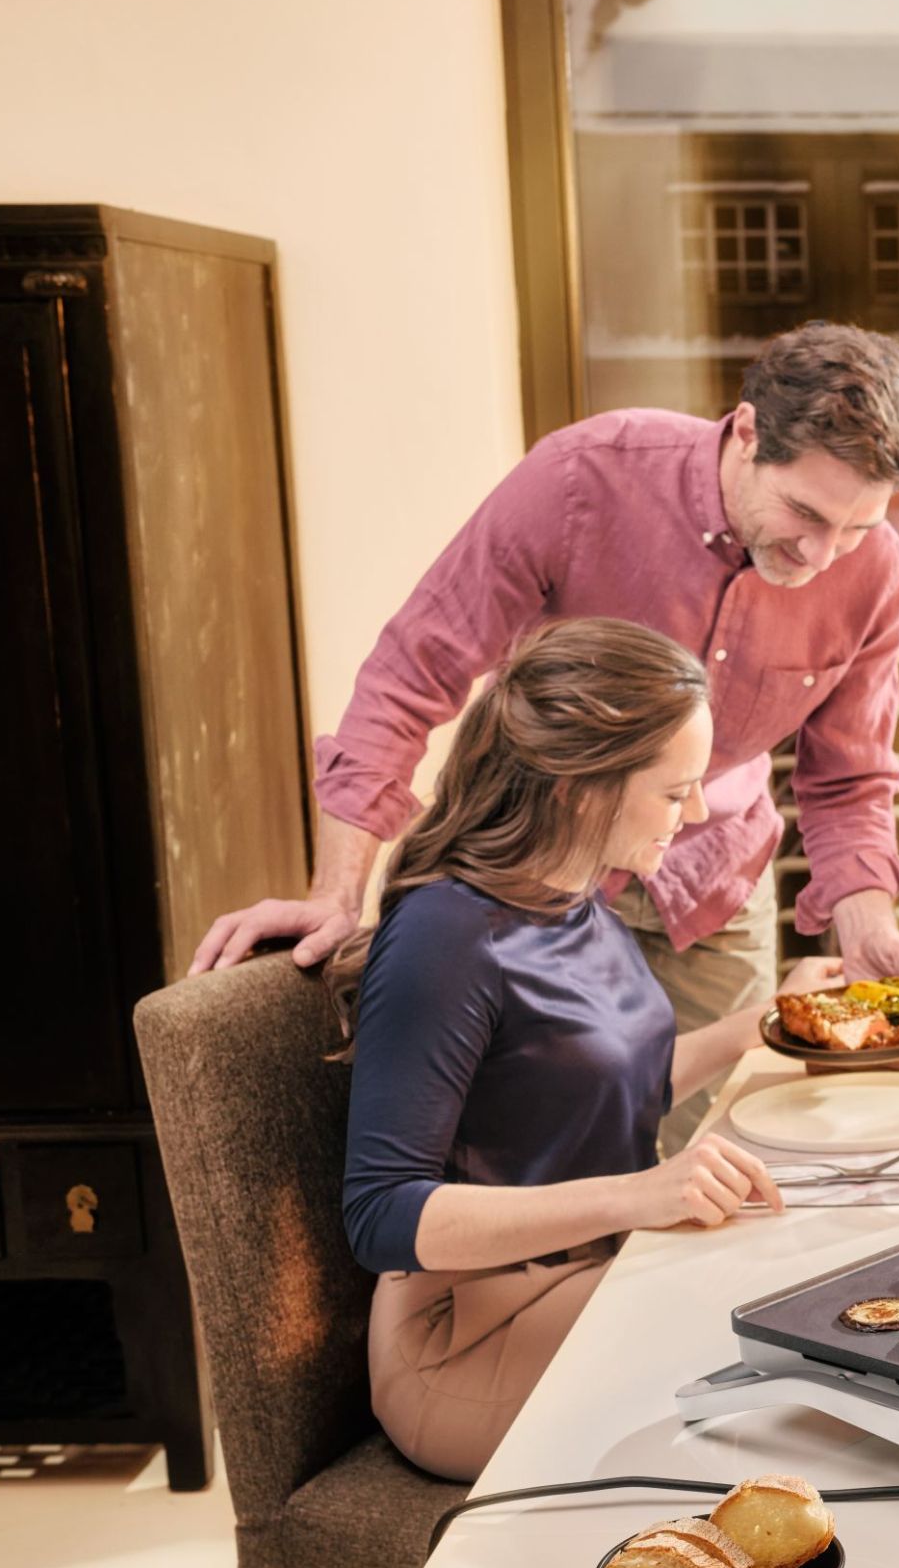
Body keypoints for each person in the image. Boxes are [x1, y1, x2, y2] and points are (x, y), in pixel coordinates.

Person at [195, 321, 899, 1148]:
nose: (824, 555)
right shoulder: (584, 477)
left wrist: (866, 927)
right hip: (539, 877)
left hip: (712, 885)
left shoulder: (873, 572)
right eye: (805, 513)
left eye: (857, 527)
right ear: (747, 432)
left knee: (704, 1149)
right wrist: (336, 894)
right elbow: (413, 670)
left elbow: (848, 780)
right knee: (535, 1150)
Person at [331, 619, 838, 1482]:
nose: (699, 813)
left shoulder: (576, 896)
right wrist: (638, 1195)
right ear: (577, 788)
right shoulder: (445, 936)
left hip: (594, 1274)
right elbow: (381, 1217)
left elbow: (600, 1092)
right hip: (466, 1338)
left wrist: (763, 1024)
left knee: (821, 1286)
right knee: (795, 1358)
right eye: (674, 792)